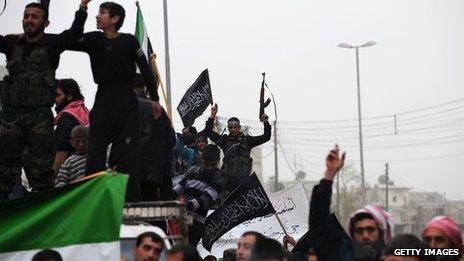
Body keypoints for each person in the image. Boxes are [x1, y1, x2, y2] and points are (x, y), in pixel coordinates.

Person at [66, 1, 161, 202]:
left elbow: (145, 67)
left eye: (102, 13)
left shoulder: (129, 41)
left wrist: (155, 98)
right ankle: (93, 198)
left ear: (115, 19)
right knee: (96, 152)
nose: (97, 16)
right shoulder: (93, 40)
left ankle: (131, 202)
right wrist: (82, 9)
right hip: (103, 99)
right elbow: (71, 38)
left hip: (126, 101)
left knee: (128, 156)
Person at [0, 0, 89, 200]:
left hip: (38, 118)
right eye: (26, 16)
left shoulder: (52, 44)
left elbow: (74, 34)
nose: (29, 20)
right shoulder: (11, 43)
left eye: (34, 17)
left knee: (42, 174)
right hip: (9, 117)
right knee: (3, 171)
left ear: (45, 23)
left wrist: (82, 7)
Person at [309, 145, 393, 260]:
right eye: (359, 231)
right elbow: (319, 223)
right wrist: (330, 173)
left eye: (370, 229)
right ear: (352, 234)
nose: (365, 236)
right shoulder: (342, 255)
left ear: (381, 231)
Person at [205, 103, 271, 193]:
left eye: (235, 127)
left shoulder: (248, 140)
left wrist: (266, 122)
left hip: (244, 181)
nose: (233, 129)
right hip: (228, 182)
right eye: (230, 127)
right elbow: (208, 132)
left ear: (239, 127)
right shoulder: (224, 140)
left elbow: (266, 137)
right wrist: (212, 116)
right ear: (228, 128)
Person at [131, 74, 175, 201]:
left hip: (129, 174)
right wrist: (166, 174)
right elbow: (170, 142)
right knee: (151, 213)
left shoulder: (124, 109)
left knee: (129, 215)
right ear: (145, 87)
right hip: (154, 176)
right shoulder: (159, 110)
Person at [173, 144, 224, 246]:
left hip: (196, 224)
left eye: (213, 165)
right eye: (207, 164)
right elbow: (178, 189)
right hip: (179, 219)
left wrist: (186, 205)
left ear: (218, 162)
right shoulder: (193, 171)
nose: (209, 168)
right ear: (202, 160)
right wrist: (173, 197)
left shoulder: (219, 176)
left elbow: (207, 198)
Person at [53, 78, 89, 172]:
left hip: (71, 173)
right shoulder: (85, 112)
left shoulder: (67, 117)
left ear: (69, 96)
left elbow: (62, 153)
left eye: (57, 95)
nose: (54, 100)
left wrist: (51, 181)